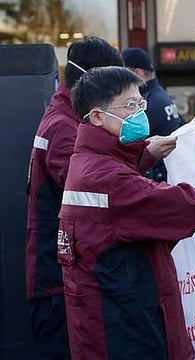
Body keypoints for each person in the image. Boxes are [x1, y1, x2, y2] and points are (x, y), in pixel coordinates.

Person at [58, 66, 195, 359]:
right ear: (97, 116)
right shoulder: (110, 180)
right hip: (132, 336)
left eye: (141, 104)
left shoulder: (86, 163)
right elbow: (191, 209)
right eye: (130, 105)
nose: (140, 113)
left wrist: (143, 155)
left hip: (107, 331)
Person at [25, 36, 126, 359]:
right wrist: (142, 157)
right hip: (59, 282)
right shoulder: (66, 128)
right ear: (92, 80)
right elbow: (90, 187)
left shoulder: (64, 118)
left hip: (60, 276)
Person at [121, 47, 184, 181]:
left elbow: (125, 143)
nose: (119, 79)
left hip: (155, 176)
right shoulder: (161, 96)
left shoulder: (147, 103)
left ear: (137, 73)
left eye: (122, 73)